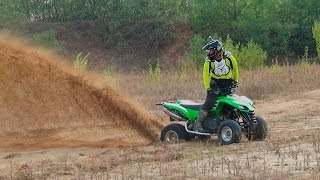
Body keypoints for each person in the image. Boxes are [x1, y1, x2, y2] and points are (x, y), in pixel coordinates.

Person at [193, 39, 239, 132]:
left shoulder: (229, 57)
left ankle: (229, 121)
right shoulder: (209, 61)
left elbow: (235, 68)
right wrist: (207, 87)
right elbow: (205, 74)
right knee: (209, 102)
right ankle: (198, 123)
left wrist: (236, 80)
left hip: (227, 83)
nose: (209, 53)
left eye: (211, 50)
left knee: (230, 104)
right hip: (215, 84)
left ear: (217, 49)